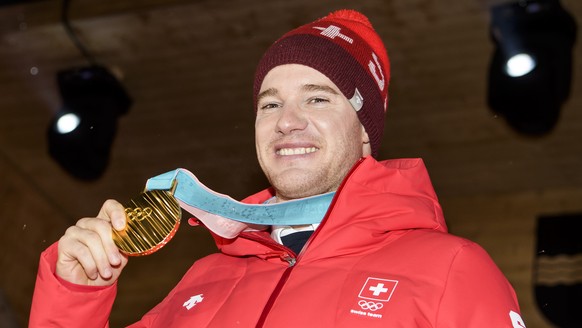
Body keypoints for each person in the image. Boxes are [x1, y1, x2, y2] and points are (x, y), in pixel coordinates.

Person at [29, 9, 527, 327]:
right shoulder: (201, 281)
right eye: (270, 105)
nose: (287, 122)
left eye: (317, 98)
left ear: (365, 131)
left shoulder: (449, 269)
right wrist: (74, 297)